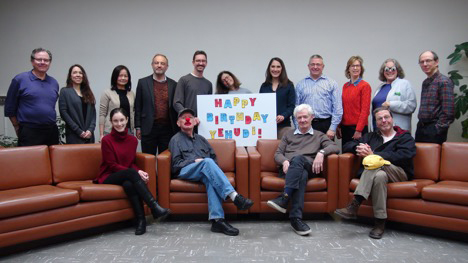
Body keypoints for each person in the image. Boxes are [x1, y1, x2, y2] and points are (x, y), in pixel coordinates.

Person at [169, 108, 254, 236]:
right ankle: (234, 197)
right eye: (183, 118)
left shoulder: (201, 139)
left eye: (190, 117)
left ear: (194, 121)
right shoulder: (175, 140)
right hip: (185, 171)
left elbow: (213, 158)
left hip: (203, 171)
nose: (187, 119)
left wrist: (209, 168)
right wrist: (195, 161)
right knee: (207, 162)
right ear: (178, 123)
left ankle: (217, 221)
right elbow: (175, 165)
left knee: (210, 177)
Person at [334, 106, 416, 239]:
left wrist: (374, 154)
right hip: (381, 173)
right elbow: (347, 145)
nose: (384, 121)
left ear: (392, 119)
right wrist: (358, 147)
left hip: (398, 172)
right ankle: (380, 222)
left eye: (386, 117)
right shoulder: (371, 137)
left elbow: (405, 155)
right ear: (376, 123)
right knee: (379, 176)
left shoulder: (404, 137)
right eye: (380, 119)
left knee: (374, 161)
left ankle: (355, 203)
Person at [95, 108, 170, 235]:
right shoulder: (107, 140)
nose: (119, 124)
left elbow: (130, 163)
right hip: (108, 175)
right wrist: (135, 172)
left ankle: (141, 221)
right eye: (115, 121)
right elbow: (112, 165)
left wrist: (138, 171)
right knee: (131, 174)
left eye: (122, 120)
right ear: (111, 122)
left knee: (129, 185)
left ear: (127, 120)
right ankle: (154, 207)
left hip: (125, 175)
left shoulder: (133, 140)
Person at [267, 104, 339, 236]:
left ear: (312, 117)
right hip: (289, 170)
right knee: (301, 175)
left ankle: (285, 197)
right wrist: (284, 161)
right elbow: (277, 154)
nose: (302, 120)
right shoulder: (288, 135)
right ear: (296, 120)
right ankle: (295, 219)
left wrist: (321, 152)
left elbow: (334, 147)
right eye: (299, 118)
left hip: (309, 166)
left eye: (305, 117)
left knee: (299, 159)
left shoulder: (319, 135)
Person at [4, 47, 59, 146]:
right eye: (39, 59)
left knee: (52, 160)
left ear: (50, 63)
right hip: (29, 131)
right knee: (30, 161)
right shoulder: (20, 79)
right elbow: (9, 107)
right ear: (32, 61)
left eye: (46, 60)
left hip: (51, 131)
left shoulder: (54, 82)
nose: (42, 62)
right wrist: (16, 126)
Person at [135, 54, 178, 155]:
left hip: (168, 129)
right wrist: (138, 127)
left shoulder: (174, 84)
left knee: (165, 161)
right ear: (152, 65)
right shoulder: (143, 83)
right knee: (148, 160)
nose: (159, 65)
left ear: (167, 67)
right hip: (148, 128)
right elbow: (138, 106)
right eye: (156, 63)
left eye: (162, 63)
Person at [295, 54, 342, 140]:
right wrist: (297, 128)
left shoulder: (331, 83)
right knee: (307, 152)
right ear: (308, 66)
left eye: (318, 64)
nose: (315, 67)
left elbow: (337, 108)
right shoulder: (300, 85)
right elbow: (296, 108)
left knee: (326, 152)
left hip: (326, 125)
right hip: (306, 124)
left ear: (323, 66)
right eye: (312, 64)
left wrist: (332, 128)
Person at [416, 51, 455, 144]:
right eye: (422, 62)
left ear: (436, 62)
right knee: (420, 158)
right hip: (421, 128)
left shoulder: (444, 82)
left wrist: (437, 129)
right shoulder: (425, 82)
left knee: (433, 158)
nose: (425, 64)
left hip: (434, 129)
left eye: (428, 61)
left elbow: (449, 112)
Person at [372, 58, 417, 131]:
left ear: (398, 70)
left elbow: (411, 106)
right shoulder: (380, 87)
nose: (390, 71)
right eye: (387, 69)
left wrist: (391, 104)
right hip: (378, 130)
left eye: (393, 69)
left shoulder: (405, 84)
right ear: (383, 72)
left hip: (398, 131)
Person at [337, 56, 371, 147]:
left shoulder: (365, 86)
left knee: (359, 157)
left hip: (358, 128)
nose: (355, 68)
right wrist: (339, 126)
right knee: (346, 157)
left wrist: (358, 130)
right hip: (345, 128)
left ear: (361, 68)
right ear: (348, 69)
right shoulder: (345, 86)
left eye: (358, 66)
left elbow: (365, 110)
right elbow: (343, 107)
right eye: (352, 66)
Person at [59, 64, 96, 144]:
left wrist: (90, 130)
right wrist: (78, 131)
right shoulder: (65, 91)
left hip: (89, 135)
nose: (78, 75)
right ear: (70, 76)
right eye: (75, 72)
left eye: (80, 73)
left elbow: (93, 114)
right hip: (74, 134)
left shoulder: (88, 92)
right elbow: (64, 113)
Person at [259, 57, 296, 139]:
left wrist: (283, 115)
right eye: (273, 66)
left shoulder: (289, 85)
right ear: (269, 68)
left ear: (282, 69)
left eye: (278, 67)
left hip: (283, 127)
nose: (275, 69)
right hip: (266, 126)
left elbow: (292, 106)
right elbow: (260, 106)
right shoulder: (264, 86)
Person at [173, 50, 213, 124]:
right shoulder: (184, 80)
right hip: (187, 124)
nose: (201, 63)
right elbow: (177, 103)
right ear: (193, 62)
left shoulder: (208, 84)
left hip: (203, 125)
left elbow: (209, 106)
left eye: (203, 61)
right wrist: (189, 117)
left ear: (206, 63)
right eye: (198, 60)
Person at [99, 65, 135, 141]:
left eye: (125, 76)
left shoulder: (131, 94)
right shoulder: (107, 93)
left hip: (128, 131)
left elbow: (133, 112)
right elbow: (102, 114)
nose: (123, 78)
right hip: (111, 130)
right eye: (120, 76)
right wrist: (101, 134)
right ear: (115, 77)